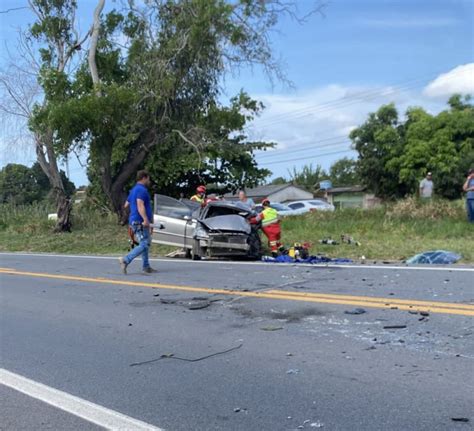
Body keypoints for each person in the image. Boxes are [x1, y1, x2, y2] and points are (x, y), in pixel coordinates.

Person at [119, 170, 157, 274]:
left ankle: (146, 267)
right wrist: (145, 219)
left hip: (136, 220)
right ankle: (125, 260)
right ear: (144, 178)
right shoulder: (141, 190)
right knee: (145, 244)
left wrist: (132, 214)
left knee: (145, 243)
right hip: (140, 221)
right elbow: (140, 205)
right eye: (148, 178)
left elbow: (126, 205)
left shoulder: (134, 190)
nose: (149, 181)